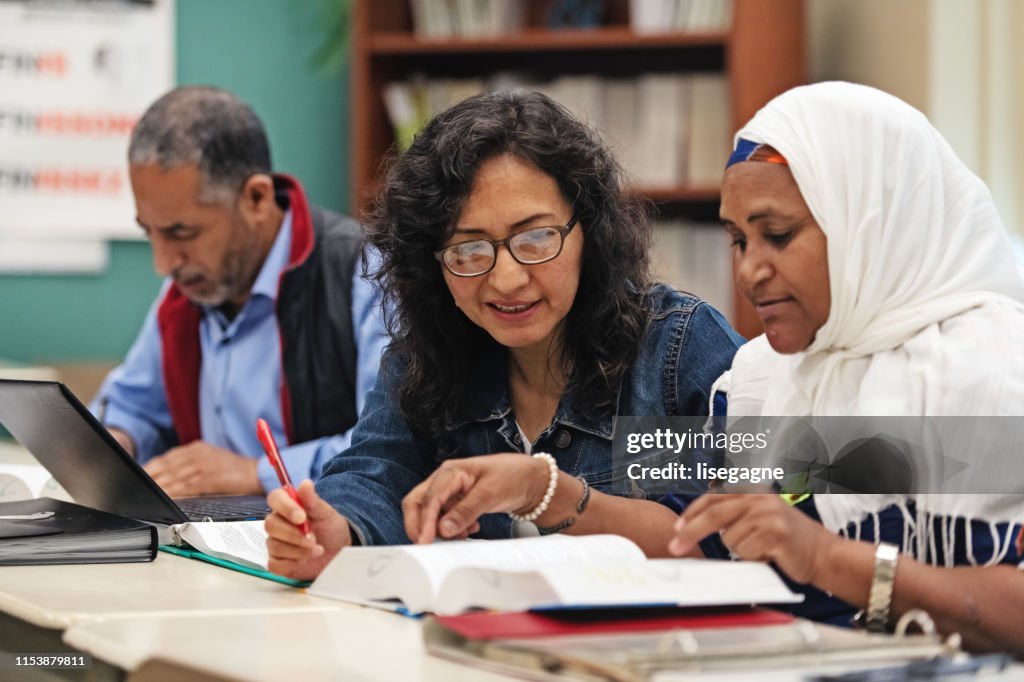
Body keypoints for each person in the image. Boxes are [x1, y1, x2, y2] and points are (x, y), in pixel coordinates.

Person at [264, 90, 744, 580]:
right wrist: (337, 532)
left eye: (536, 238)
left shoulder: (673, 348)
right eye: (468, 250)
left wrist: (543, 492)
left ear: (590, 232)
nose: (507, 280)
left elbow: (746, 527)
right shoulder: (432, 352)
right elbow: (376, 474)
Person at [667, 82, 1024, 654]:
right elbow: (699, 534)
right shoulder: (763, 374)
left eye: (777, 235)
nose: (749, 270)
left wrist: (829, 558)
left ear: (870, 222)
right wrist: (549, 490)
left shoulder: (992, 369)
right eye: (737, 240)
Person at [92, 86, 388, 497]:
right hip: (204, 544)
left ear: (256, 198)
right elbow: (132, 407)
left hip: (322, 546)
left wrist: (255, 473)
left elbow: (388, 452)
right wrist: (116, 443)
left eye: (182, 232)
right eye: (150, 232)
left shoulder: (365, 274)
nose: (164, 262)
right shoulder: (186, 289)